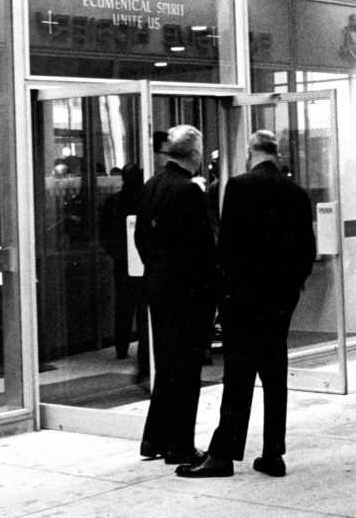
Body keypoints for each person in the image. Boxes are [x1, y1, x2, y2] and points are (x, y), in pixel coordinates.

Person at [177, 130, 316, 479]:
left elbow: (229, 247)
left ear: (252, 151)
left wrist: (226, 294)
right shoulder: (296, 193)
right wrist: (290, 288)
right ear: (276, 153)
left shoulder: (238, 187)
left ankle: (224, 454)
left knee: (238, 377)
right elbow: (306, 250)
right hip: (279, 300)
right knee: (274, 373)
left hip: (243, 299)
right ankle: (273, 453)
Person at [134, 125, 220, 465]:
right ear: (195, 155)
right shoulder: (189, 192)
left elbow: (141, 238)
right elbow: (202, 249)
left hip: (158, 286)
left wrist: (156, 268)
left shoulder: (152, 185)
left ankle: (154, 438)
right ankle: (180, 445)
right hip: (188, 293)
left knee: (168, 365)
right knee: (186, 371)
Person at [100, 163, 149, 376]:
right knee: (141, 306)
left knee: (123, 305)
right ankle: (143, 349)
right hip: (140, 260)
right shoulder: (145, 200)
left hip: (122, 261)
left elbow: (104, 232)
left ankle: (122, 346)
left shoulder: (114, 202)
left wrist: (115, 254)